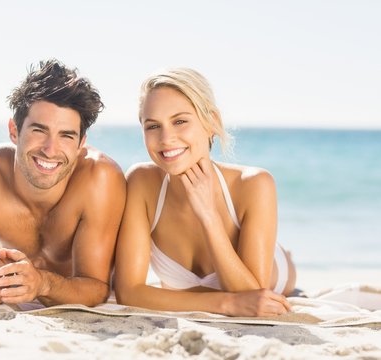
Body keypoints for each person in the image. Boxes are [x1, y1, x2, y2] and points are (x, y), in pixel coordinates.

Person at [114, 68, 297, 317]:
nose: (166, 138)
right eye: (153, 126)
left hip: (277, 269)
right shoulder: (141, 182)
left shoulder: (254, 183)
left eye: (180, 121)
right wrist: (226, 304)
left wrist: (208, 215)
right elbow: (129, 292)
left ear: (211, 122)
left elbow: (254, 296)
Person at [0, 59, 126, 307]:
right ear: (14, 130)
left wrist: (42, 283)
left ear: (81, 143)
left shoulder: (99, 178)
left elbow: (97, 288)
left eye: (66, 135)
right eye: (38, 130)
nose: (50, 150)